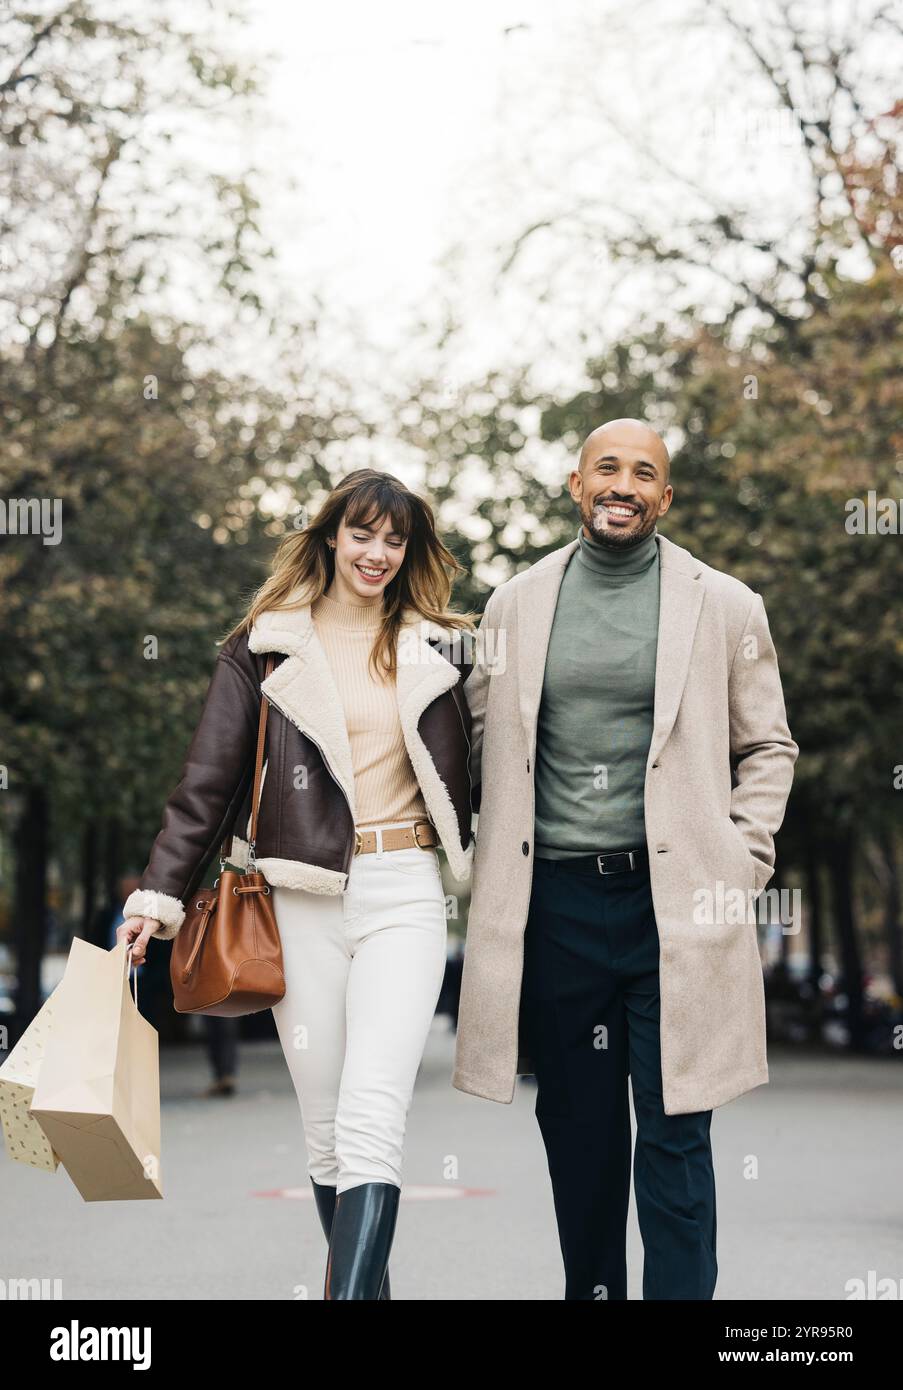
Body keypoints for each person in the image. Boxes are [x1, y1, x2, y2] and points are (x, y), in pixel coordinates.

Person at [453, 418, 799, 1300]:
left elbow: (768, 748)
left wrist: (742, 858)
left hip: (676, 906)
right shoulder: (515, 604)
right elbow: (478, 746)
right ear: (575, 485)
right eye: (606, 468)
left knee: (677, 1134)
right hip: (559, 910)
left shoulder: (725, 605)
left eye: (643, 473)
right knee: (581, 1136)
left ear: (664, 496)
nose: (623, 485)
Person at [117, 468, 477, 1300]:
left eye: (396, 539)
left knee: (371, 1116)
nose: (378, 553)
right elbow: (205, 784)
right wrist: (157, 896)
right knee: (325, 1133)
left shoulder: (444, 645)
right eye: (361, 533)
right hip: (297, 899)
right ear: (328, 537)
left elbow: (497, 765)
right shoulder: (263, 645)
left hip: (404, 892)